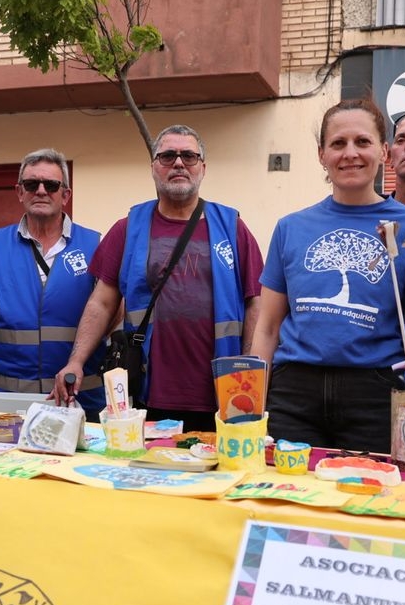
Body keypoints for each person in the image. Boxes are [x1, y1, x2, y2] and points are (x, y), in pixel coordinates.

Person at [53, 125, 264, 432]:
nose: (178, 163)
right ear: (153, 167)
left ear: (202, 168)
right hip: (144, 394)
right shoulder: (128, 228)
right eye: (167, 156)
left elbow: (256, 301)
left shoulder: (233, 228)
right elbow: (101, 302)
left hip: (224, 395)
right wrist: (76, 361)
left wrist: (249, 368)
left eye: (188, 156)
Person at [250, 98, 405, 451]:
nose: (350, 153)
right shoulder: (291, 228)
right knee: (284, 495)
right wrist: (251, 402)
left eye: (362, 142)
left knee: (370, 495)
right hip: (293, 394)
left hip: (375, 394)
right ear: (321, 154)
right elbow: (268, 327)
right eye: (338, 143)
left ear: (384, 150)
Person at [0, 149, 106, 419]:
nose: (41, 191)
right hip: (9, 401)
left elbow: (109, 310)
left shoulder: (95, 245)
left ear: (65, 195)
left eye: (51, 185)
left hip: (77, 398)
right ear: (20, 192)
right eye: (32, 184)